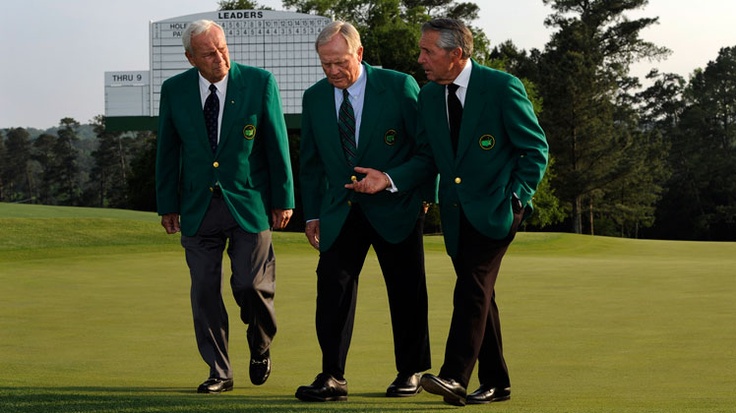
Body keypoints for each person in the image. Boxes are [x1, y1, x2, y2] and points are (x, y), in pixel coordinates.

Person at [350, 18, 548, 406]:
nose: (420, 58)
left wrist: (517, 199)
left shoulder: (502, 87)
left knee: (472, 286)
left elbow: (535, 149)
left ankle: (454, 376)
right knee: (481, 294)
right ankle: (497, 381)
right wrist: (388, 178)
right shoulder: (428, 96)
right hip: (457, 215)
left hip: (496, 210)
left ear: (456, 54)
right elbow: (428, 158)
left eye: (428, 51)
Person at [295, 21, 435, 402]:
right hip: (340, 211)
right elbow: (310, 163)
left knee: (406, 290)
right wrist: (312, 215)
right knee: (332, 288)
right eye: (325, 64)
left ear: (359, 53)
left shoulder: (399, 86)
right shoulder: (314, 98)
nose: (333, 71)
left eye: (340, 62)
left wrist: (401, 184)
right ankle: (332, 376)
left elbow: (426, 149)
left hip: (396, 205)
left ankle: (410, 371)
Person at [155, 19, 294, 394]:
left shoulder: (260, 82)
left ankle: (260, 343)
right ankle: (220, 371)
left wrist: (283, 199)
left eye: (222, 48)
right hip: (198, 206)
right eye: (208, 53)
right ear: (190, 58)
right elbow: (167, 151)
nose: (219, 57)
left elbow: (276, 143)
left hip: (249, 202)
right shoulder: (174, 90)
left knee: (250, 285)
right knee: (203, 291)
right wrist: (167, 204)